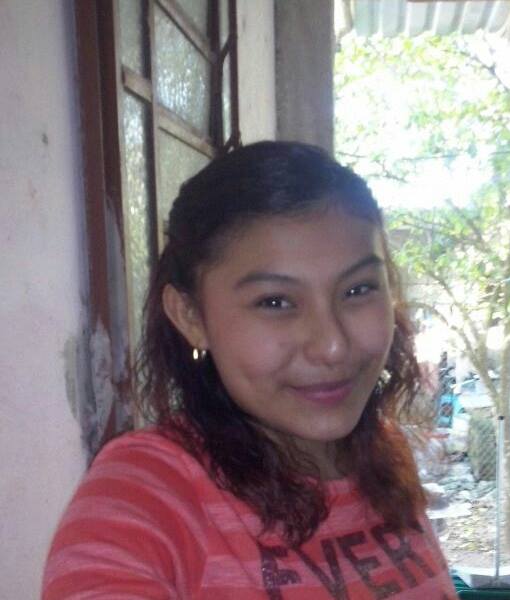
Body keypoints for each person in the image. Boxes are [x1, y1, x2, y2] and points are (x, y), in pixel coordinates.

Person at [42, 141, 457, 599]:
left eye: (358, 290)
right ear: (191, 317)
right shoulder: (144, 494)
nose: (333, 345)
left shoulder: (381, 455)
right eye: (275, 302)